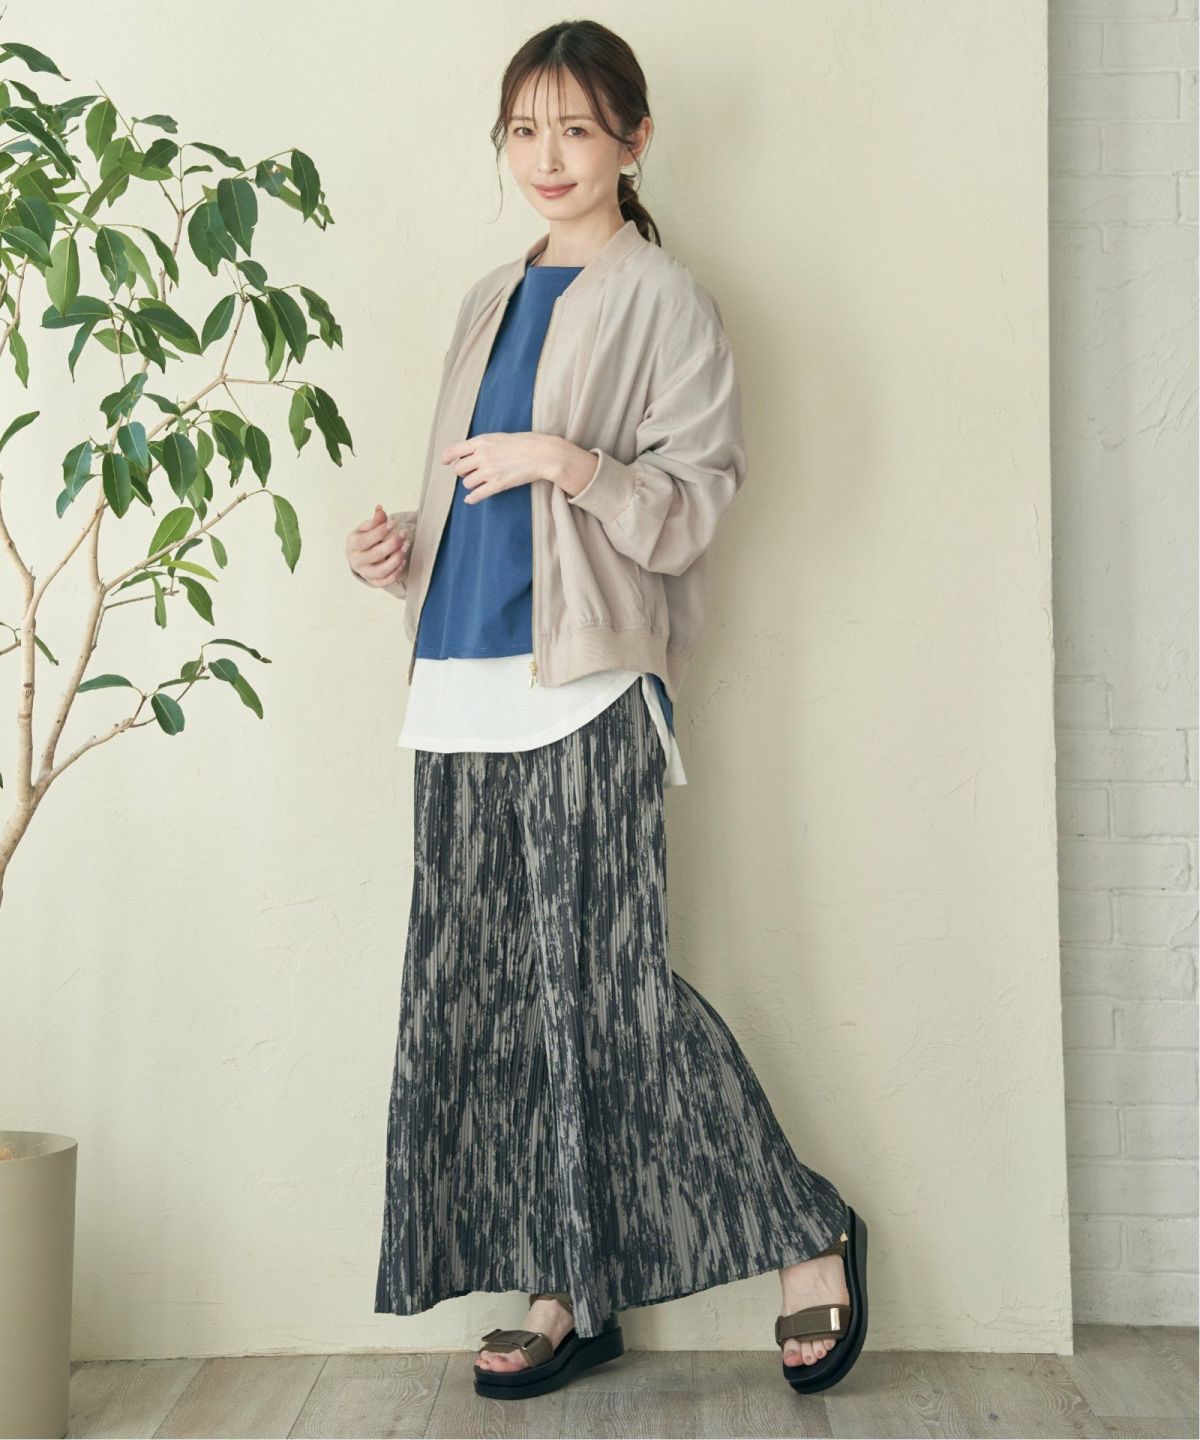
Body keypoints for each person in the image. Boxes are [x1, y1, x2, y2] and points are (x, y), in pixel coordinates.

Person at [346, 18, 869, 1401]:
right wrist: (403, 550)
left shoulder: (665, 299)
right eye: (525, 130)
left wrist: (567, 460)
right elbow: (474, 500)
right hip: (457, 687)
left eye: (576, 128)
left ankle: (805, 1233)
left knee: (607, 993)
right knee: (489, 1002)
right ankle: (565, 1288)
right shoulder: (487, 298)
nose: (549, 155)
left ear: (634, 140)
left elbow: (691, 504)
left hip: (583, 689)